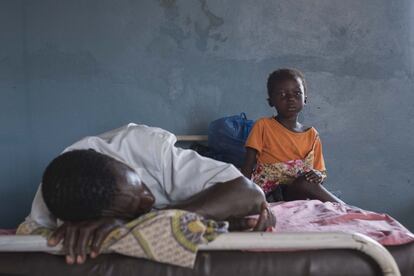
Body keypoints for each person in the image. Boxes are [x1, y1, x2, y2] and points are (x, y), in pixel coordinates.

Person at [25, 123, 275, 265]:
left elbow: (249, 193)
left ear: (123, 164)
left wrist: (147, 221)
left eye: (141, 187)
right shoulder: (55, 201)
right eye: (137, 207)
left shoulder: (144, 150)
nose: (150, 199)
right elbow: (32, 236)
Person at [241, 68, 342, 203]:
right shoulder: (263, 125)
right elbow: (248, 166)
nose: (290, 99)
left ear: (305, 99)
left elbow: (319, 174)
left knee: (305, 183)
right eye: (282, 94)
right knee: (304, 184)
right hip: (269, 194)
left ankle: (347, 209)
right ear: (271, 101)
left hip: (297, 192)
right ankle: (350, 210)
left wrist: (317, 176)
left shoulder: (312, 135)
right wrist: (245, 197)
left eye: (297, 93)